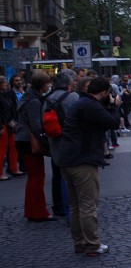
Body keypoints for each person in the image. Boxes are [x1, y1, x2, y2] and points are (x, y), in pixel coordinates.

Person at [57, 77, 121, 255]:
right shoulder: (91, 106)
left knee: (76, 205)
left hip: (68, 157)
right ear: (104, 92)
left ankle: (80, 242)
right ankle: (92, 244)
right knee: (88, 204)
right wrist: (115, 106)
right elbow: (112, 122)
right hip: (83, 159)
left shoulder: (81, 102)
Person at [15, 72, 55, 221]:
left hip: (23, 140)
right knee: (37, 178)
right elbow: (37, 126)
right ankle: (39, 211)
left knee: (34, 178)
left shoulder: (29, 98)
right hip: (28, 141)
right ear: (42, 85)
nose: (49, 85)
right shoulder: (34, 101)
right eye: (47, 83)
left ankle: (32, 210)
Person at [45, 69, 79, 217]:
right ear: (70, 83)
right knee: (72, 179)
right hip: (72, 142)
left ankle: (59, 206)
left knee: (57, 176)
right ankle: (71, 209)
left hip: (55, 143)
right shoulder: (73, 97)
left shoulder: (48, 98)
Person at [0, 76, 22, 180]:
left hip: (9, 123)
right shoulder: (4, 96)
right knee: (2, 150)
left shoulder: (5, 95)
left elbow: (10, 109)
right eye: (4, 83)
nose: (6, 84)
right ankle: (0, 173)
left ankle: (14, 168)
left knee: (13, 147)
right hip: (3, 124)